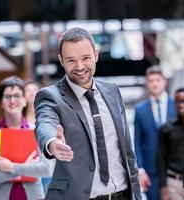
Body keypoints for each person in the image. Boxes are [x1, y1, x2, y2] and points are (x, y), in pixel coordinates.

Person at [34, 27, 141, 200]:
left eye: (85, 58)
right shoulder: (50, 97)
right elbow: (45, 122)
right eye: (71, 60)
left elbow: (127, 152)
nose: (80, 66)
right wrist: (51, 142)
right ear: (61, 60)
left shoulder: (112, 91)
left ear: (96, 55)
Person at [0, 76, 50, 200]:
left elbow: (45, 169)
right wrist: (26, 169)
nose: (12, 100)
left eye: (17, 96)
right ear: (1, 102)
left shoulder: (37, 131)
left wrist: (11, 167)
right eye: (7, 97)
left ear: (24, 100)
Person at [134, 66, 176, 200]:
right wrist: (140, 170)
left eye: (158, 80)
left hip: (174, 170)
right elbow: (137, 142)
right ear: (147, 83)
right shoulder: (140, 110)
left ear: (164, 82)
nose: (155, 83)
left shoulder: (176, 106)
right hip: (151, 172)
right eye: (151, 80)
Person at [157, 88, 184, 200]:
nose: (181, 105)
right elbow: (160, 160)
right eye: (178, 102)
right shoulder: (166, 128)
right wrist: (163, 188)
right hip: (174, 184)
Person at [24, 80, 55, 194]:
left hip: (48, 171)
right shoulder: (20, 122)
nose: (32, 93)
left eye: (35, 90)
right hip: (28, 171)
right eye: (27, 90)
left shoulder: (50, 116)